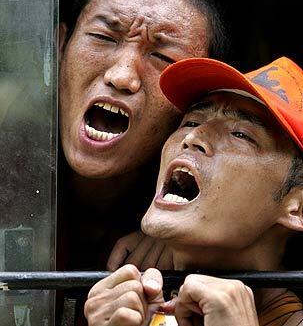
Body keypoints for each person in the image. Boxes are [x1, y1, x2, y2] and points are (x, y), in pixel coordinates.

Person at [57, 0, 227, 322]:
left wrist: (180, 229)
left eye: (162, 56)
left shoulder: (209, 216)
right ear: (57, 46)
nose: (122, 77)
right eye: (103, 38)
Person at [84, 56, 303, 326]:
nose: (192, 138)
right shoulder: (135, 309)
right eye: (190, 122)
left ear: (298, 208)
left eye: (241, 135)